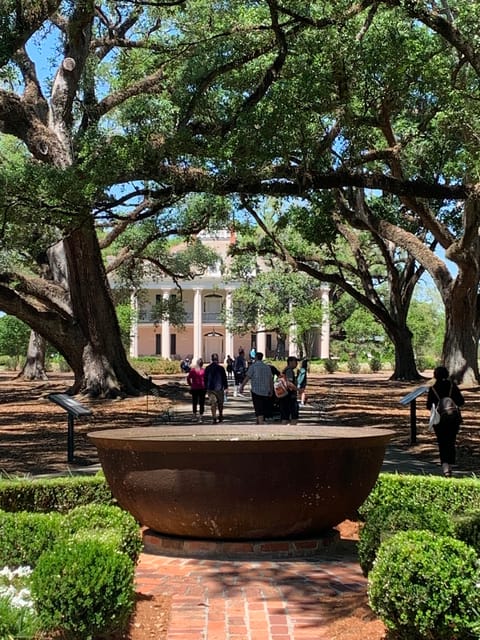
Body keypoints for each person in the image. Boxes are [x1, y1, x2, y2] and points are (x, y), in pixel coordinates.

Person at [426, 365, 464, 478]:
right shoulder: (452, 386)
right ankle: (451, 463)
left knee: (442, 442)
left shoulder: (433, 388)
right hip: (453, 419)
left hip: (440, 420)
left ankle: (445, 466)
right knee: (451, 441)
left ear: (435, 375)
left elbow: (428, 405)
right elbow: (461, 401)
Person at [238, 352, 274, 424]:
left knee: (258, 406)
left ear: (256, 358)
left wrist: (242, 386)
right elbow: (271, 380)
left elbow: (247, 377)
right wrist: (271, 390)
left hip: (256, 390)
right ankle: (259, 421)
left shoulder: (253, 367)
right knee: (263, 406)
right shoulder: (267, 367)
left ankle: (260, 422)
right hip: (265, 390)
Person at [204, 353, 229, 424]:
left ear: (211, 359)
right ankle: (220, 415)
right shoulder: (221, 368)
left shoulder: (207, 368)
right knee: (220, 403)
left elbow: (205, 379)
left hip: (211, 388)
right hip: (219, 388)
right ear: (217, 359)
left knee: (213, 403)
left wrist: (205, 388)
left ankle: (214, 417)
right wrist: (226, 387)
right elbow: (224, 378)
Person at [278, 356, 299, 424]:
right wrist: (298, 389)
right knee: (293, 415)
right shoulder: (289, 371)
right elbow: (289, 383)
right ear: (290, 362)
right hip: (289, 396)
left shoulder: (285, 370)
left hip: (284, 395)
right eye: (295, 362)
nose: (297, 364)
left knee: (285, 416)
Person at [186, 358, 206, 422]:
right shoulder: (203, 371)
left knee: (194, 402)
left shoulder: (193, 370)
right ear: (202, 364)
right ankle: (200, 417)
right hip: (202, 388)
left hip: (194, 388)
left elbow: (188, 378)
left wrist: (191, 384)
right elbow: (206, 379)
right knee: (201, 403)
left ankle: (194, 415)